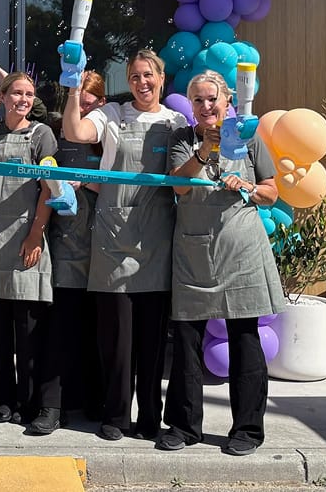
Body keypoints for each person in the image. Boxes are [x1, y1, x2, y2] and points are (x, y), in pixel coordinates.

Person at [61, 49, 187, 442]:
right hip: (114, 237)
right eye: (134, 76)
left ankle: (149, 417)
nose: (141, 82)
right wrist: (73, 87)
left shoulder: (176, 121)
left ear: (161, 78)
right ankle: (115, 416)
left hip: (156, 238)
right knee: (116, 338)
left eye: (148, 75)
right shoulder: (112, 114)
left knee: (152, 339)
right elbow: (74, 132)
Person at [158, 71, 283, 456]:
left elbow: (271, 191)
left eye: (212, 98)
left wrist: (249, 187)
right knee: (187, 340)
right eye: (197, 100)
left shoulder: (249, 137)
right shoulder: (181, 139)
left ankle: (247, 430)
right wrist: (204, 152)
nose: (205, 106)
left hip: (241, 251)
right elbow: (179, 185)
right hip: (194, 253)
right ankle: (183, 426)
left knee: (244, 339)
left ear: (227, 101)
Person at [0, 72, 59, 432]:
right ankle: (2, 398)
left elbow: (49, 187)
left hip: (26, 239)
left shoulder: (41, 135)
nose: (23, 99)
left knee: (28, 328)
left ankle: (28, 401)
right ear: (2, 97)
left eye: (29, 94)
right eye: (16, 93)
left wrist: (35, 234)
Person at [45, 71, 107, 421]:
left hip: (105, 243)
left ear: (102, 103)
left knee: (97, 328)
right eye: (77, 102)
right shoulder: (57, 134)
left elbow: (127, 182)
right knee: (64, 325)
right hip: (67, 241)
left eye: (89, 103)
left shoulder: (109, 134)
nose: (82, 110)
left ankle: (95, 402)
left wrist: (86, 181)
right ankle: (60, 404)